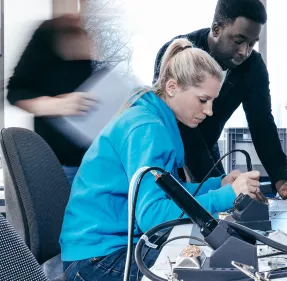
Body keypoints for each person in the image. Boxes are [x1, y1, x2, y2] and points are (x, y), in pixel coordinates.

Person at [60, 38, 261, 281]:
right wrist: (227, 196)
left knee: (203, 261)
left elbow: (170, 192)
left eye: (212, 102)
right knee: (211, 274)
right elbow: (153, 215)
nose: (209, 111)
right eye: (202, 100)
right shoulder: (147, 128)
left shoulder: (152, 119)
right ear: (172, 87)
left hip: (105, 248)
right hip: (95, 260)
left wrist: (217, 185)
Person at [153, 0, 287, 199]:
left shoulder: (253, 67)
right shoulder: (179, 53)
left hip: (208, 145)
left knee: (225, 202)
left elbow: (261, 123)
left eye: (252, 43)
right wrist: (224, 192)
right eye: (239, 41)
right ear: (216, 29)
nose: (244, 52)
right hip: (176, 145)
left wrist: (279, 178)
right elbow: (183, 129)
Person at [6, 13, 97, 185]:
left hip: (95, 160)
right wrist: (56, 105)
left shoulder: (91, 32)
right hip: (59, 162)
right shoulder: (48, 32)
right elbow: (14, 92)